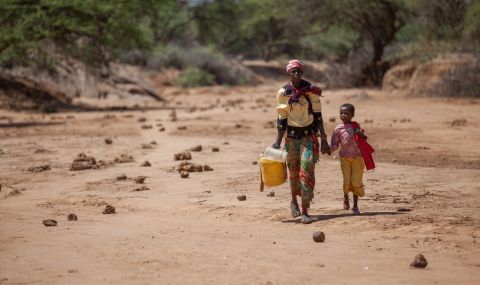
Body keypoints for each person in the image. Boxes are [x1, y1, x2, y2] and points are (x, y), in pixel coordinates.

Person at [272, 59, 330, 224]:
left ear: (302, 73)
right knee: (294, 172)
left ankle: (305, 210)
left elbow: (318, 117)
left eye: (299, 71)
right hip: (291, 138)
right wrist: (277, 142)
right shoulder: (283, 93)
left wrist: (324, 138)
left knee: (306, 171)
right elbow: (281, 119)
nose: (296, 74)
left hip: (308, 137)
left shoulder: (311, 91)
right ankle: (293, 200)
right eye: (293, 71)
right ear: (289, 73)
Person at [330, 103, 375, 214]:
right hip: (344, 158)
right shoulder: (338, 129)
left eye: (346, 113)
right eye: (341, 113)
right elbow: (334, 145)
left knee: (356, 181)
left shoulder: (356, 126)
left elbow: (364, 139)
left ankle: (355, 205)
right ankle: (346, 196)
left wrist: (361, 135)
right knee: (346, 180)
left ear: (352, 115)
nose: (343, 115)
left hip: (357, 158)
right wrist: (326, 149)